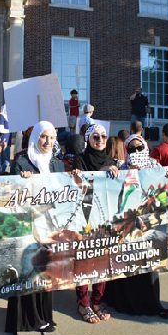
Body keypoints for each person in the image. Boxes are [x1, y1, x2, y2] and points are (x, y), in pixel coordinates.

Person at [102, 134, 168, 319]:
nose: (136, 152)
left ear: (146, 148)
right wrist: (112, 171)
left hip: (149, 225)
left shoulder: (155, 166)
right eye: (131, 149)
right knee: (129, 264)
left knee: (148, 266)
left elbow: (162, 193)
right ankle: (127, 303)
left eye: (139, 148)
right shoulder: (122, 168)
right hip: (128, 226)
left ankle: (152, 304)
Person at [6, 121, 63, 334]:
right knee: (29, 271)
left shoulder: (57, 164)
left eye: (51, 137)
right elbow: (13, 194)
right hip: (28, 226)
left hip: (49, 226)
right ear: (35, 137)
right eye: (43, 137)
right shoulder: (22, 162)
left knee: (46, 272)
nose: (47, 141)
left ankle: (45, 316)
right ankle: (28, 319)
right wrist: (21, 180)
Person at [72, 124, 118, 324]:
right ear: (88, 139)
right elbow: (78, 188)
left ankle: (97, 301)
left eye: (103, 137)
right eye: (95, 137)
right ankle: (83, 303)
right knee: (84, 260)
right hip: (84, 218)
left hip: (104, 219)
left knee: (102, 261)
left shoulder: (111, 161)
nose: (100, 140)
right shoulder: (80, 160)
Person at [0, 104, 11, 174]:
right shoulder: (2, 116)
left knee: (6, 159)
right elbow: (0, 129)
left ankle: (4, 172)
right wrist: (10, 130)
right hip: (3, 141)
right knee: (4, 159)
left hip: (8, 141)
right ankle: (2, 173)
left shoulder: (8, 117)